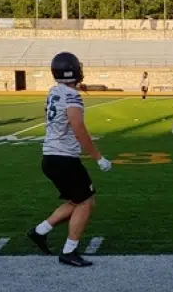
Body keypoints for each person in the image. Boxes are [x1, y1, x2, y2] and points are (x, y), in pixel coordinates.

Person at [27, 52, 112, 267]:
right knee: (86, 201)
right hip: (63, 158)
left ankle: (40, 231)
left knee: (77, 200)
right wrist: (98, 157)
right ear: (73, 71)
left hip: (51, 156)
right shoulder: (72, 96)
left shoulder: (54, 91)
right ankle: (69, 251)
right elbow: (78, 127)